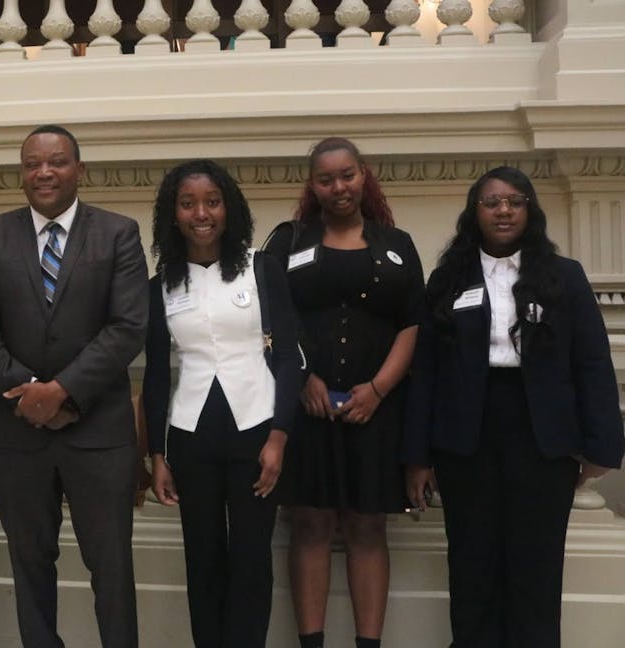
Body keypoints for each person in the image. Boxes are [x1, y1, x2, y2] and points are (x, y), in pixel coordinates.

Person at [402, 166, 624, 648]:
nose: (503, 210)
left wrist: (602, 445)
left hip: (542, 437)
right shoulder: (447, 279)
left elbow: (591, 362)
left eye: (515, 201)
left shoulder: (563, 277)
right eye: (491, 202)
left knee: (536, 569)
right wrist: (417, 456)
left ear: (529, 210)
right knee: (471, 566)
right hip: (466, 437)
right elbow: (426, 373)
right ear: (474, 212)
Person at [0, 124, 148, 648]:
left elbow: (129, 326)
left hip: (100, 434)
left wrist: (62, 391)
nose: (44, 172)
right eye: (32, 163)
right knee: (30, 563)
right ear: (22, 172)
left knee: (110, 567)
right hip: (18, 436)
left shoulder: (118, 233)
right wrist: (29, 393)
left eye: (57, 161)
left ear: (79, 170)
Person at [263, 137, 425, 648]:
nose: (339, 187)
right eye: (326, 177)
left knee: (366, 525)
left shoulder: (396, 245)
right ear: (312, 184)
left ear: (364, 176)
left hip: (374, 410)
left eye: (348, 174)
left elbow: (412, 325)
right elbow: (268, 320)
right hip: (304, 409)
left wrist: (377, 390)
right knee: (309, 523)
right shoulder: (287, 241)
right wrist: (304, 379)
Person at [142, 159, 303, 648]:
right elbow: (153, 375)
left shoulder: (262, 268)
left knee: (252, 560)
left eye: (212, 202)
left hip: (257, 431)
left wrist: (279, 435)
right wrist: (156, 454)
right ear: (174, 215)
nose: (201, 213)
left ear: (228, 208)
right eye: (188, 204)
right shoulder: (161, 285)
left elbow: (292, 358)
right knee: (203, 559)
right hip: (191, 439)